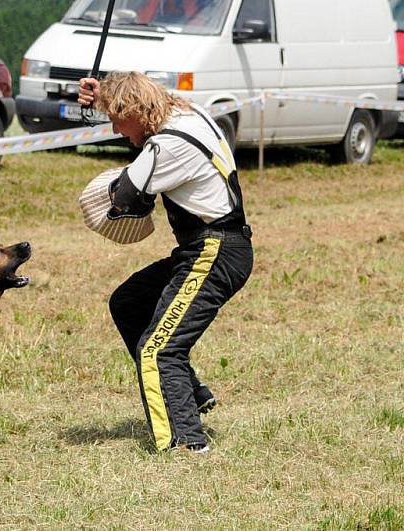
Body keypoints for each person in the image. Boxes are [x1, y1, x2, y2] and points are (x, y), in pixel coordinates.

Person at [78, 72, 253, 453]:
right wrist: (102, 95)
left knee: (158, 350)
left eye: (115, 119)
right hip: (211, 248)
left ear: (134, 111)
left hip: (214, 253)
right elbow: (134, 95)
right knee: (128, 303)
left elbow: (123, 199)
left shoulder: (168, 147)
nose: (116, 130)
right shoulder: (186, 113)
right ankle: (191, 394)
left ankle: (186, 444)